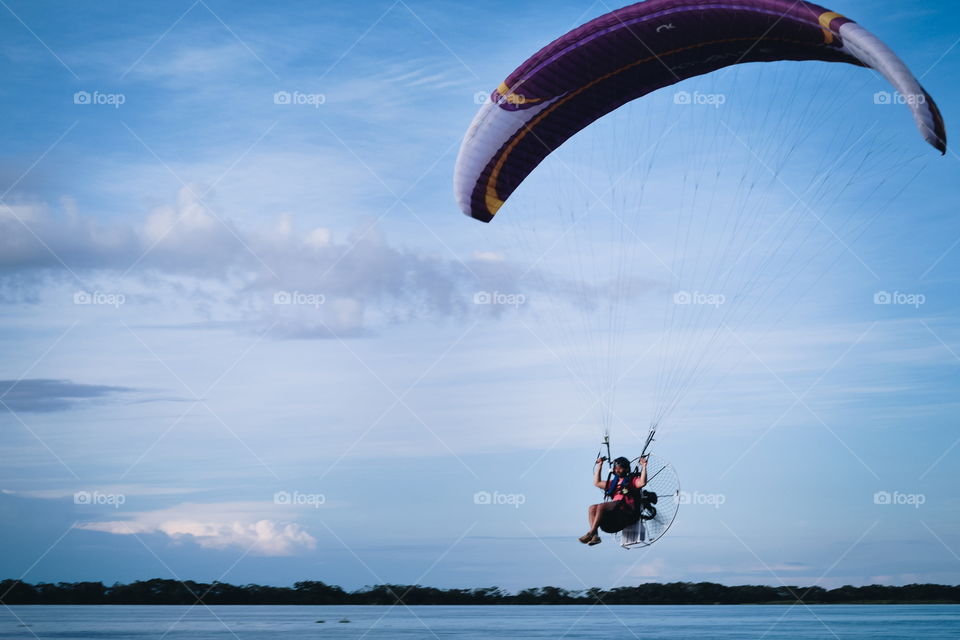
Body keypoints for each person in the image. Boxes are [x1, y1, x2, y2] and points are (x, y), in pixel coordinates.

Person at [579, 455, 648, 546]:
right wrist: (599, 465)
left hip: (626, 514)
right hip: (613, 516)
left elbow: (642, 483)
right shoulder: (613, 483)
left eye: (620, 469)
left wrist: (644, 467)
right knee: (592, 508)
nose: (617, 470)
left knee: (601, 506)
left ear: (627, 469)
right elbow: (597, 482)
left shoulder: (632, 480)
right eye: (616, 468)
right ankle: (595, 536)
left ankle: (591, 532)